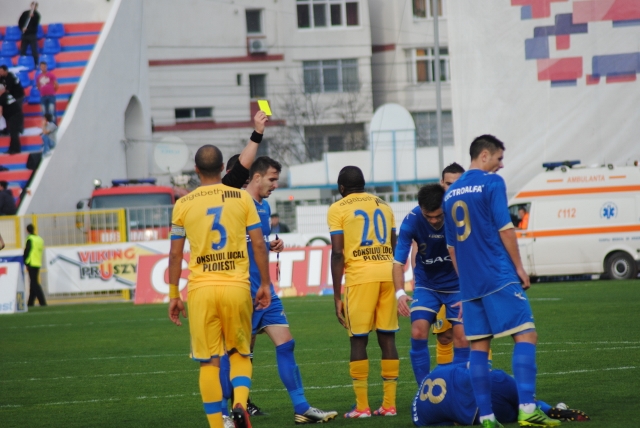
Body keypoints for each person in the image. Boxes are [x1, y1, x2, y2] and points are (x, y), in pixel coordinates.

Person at [444, 135, 559, 428]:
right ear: (484, 156)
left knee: (479, 348)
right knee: (526, 334)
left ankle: (486, 418)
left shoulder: (450, 193)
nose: (501, 164)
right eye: (499, 158)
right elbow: (506, 228)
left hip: (470, 284)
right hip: (497, 274)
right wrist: (519, 268)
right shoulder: (491, 183)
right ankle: (528, 409)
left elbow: (452, 247)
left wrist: (465, 281)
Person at [220, 156, 338, 425]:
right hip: (241, 290)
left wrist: (269, 245)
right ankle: (227, 414)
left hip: (264, 288)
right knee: (238, 353)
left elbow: (254, 242)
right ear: (257, 177)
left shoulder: (264, 205)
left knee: (286, 344)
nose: (275, 185)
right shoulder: (236, 202)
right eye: (272, 179)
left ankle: (302, 407)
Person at [167, 144, 272, 428]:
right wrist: (264, 283)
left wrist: (174, 295)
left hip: (201, 290)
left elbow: (175, 254)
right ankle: (240, 403)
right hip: (237, 286)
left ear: (197, 170)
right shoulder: (242, 198)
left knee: (209, 361)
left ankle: (218, 424)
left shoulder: (183, 204)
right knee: (239, 352)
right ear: (222, 167)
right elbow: (259, 243)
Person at [327, 166, 400, 418]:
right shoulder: (384, 205)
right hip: (388, 273)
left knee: (358, 339)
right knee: (387, 338)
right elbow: (394, 243)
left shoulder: (338, 208)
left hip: (360, 277)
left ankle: (362, 407)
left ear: (342, 188)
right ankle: (389, 405)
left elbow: (337, 252)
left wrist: (337, 296)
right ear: (364, 185)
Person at [394, 183, 469, 386]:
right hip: (428, 285)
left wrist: (470, 288)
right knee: (418, 331)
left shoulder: (457, 216)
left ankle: (460, 387)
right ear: (421, 209)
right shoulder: (411, 221)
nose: (434, 221)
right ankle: (424, 391)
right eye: (429, 217)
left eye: (438, 216)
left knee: (462, 338)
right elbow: (398, 262)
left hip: (457, 286)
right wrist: (400, 292)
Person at [411, 363, 590, 426]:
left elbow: (450, 423)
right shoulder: (439, 370)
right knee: (524, 401)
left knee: (513, 414)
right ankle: (548, 408)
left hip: (478, 416)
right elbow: (475, 366)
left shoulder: (419, 418)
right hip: (492, 384)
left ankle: (547, 409)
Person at [429, 163, 466, 366]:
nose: (452, 188)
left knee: (473, 333)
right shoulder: (432, 209)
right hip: (437, 282)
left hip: (465, 280)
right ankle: (445, 380)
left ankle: (479, 381)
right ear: (441, 183)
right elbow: (418, 244)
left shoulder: (467, 207)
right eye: (448, 184)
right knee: (444, 336)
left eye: (457, 184)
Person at [24, 224, 46, 306]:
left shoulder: (30, 239)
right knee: (33, 283)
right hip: (38, 262)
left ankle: (42, 302)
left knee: (34, 283)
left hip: (31, 262)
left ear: (27, 230)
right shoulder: (39, 239)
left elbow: (27, 250)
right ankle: (30, 303)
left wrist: (25, 261)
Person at [0, 83, 24, 154]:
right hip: (17, 115)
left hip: (14, 116)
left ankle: (16, 149)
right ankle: (12, 148)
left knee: (14, 133)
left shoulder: (2, 97)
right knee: (13, 133)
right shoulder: (7, 95)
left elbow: (0, 110)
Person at [19, 2, 40, 68]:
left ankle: (36, 64)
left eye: (35, 6)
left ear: (36, 7)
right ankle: (22, 64)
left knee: (34, 51)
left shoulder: (37, 15)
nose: (33, 7)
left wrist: (33, 17)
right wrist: (22, 28)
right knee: (23, 50)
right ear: (31, 6)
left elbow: (35, 23)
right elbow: (20, 21)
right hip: (25, 34)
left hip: (32, 35)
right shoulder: (25, 13)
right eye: (32, 6)